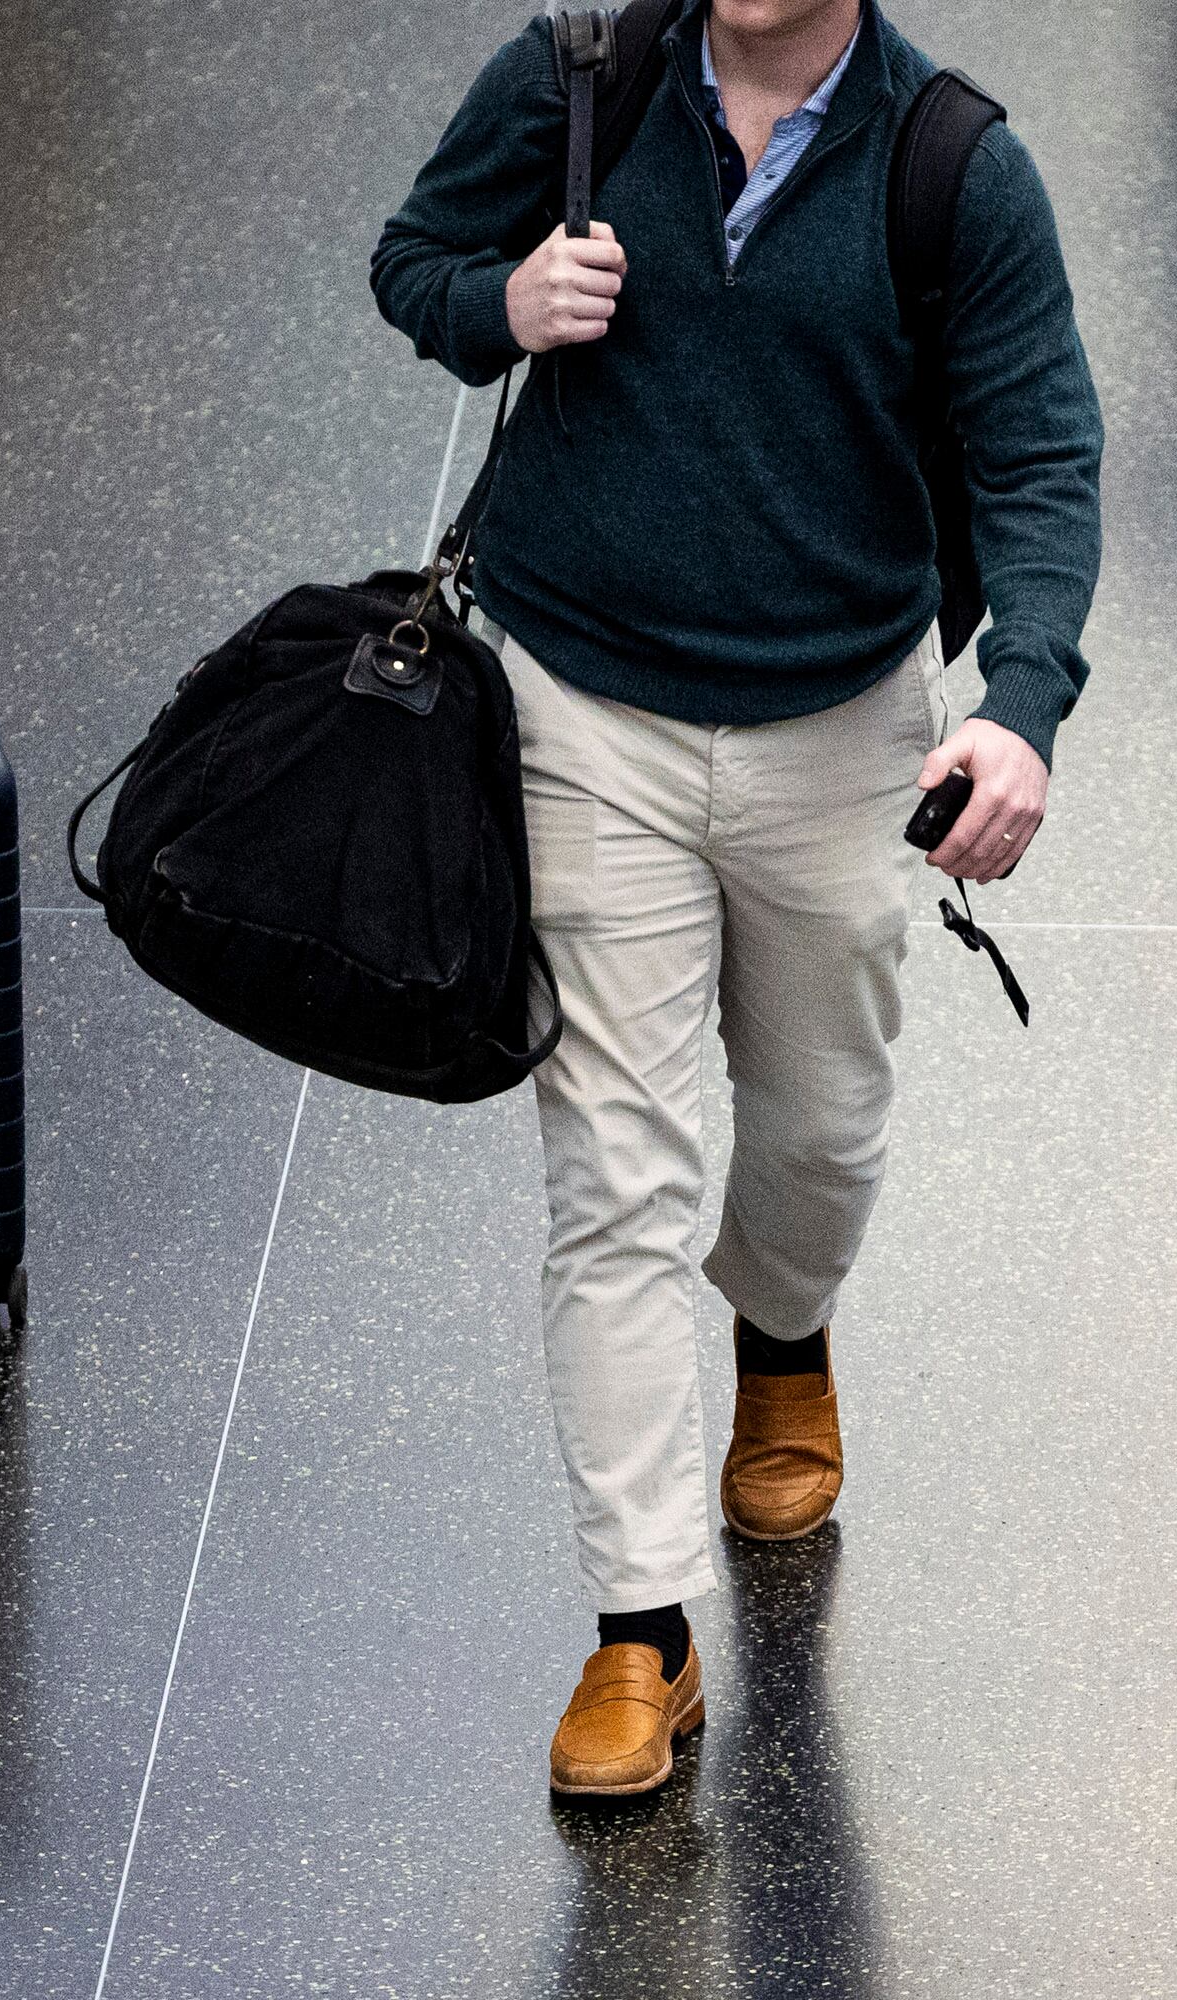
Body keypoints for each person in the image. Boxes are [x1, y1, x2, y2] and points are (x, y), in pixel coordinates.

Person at [374, 0, 1102, 1795]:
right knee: (616, 1179)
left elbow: (1039, 457)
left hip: (839, 724)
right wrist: (504, 307)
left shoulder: (954, 163)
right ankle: (642, 1633)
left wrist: (1024, 705)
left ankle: (783, 1327)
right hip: (577, 698)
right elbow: (414, 260)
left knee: (821, 1130)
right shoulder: (582, 74)